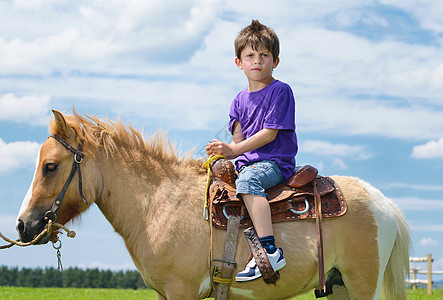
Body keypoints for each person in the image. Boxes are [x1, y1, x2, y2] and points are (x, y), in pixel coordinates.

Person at [206, 20, 298, 282]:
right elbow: (237, 142)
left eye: (264, 55)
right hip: (247, 163)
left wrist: (234, 149)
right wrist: (223, 152)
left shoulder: (280, 91)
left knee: (248, 181)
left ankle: (270, 251)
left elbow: (269, 134)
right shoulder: (238, 100)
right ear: (239, 62)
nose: (257, 61)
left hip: (274, 163)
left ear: (275, 61)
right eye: (250, 56)